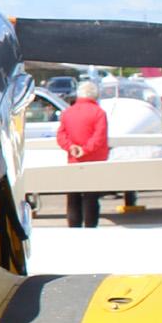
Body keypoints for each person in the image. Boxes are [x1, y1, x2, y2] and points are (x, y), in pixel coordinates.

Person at [55, 80, 109, 228]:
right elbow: (100, 137)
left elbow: (61, 136)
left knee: (73, 197)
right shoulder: (99, 113)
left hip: (73, 161)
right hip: (94, 161)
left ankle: (74, 229)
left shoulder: (67, 112)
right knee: (91, 198)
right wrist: (85, 149)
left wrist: (71, 147)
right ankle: (90, 229)